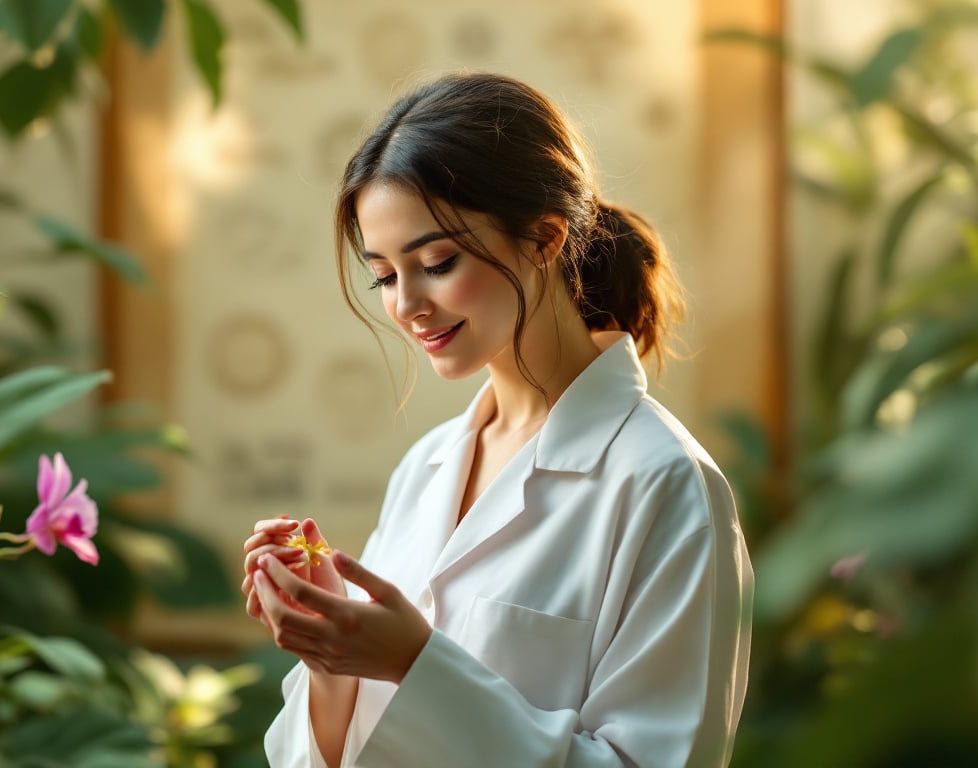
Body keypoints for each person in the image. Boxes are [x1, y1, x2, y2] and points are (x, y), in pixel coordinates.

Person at [240, 71, 753, 768]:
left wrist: (417, 664)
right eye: (385, 275)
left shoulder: (665, 483)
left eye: (437, 262)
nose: (408, 305)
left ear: (544, 239)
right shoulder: (427, 466)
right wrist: (336, 647)